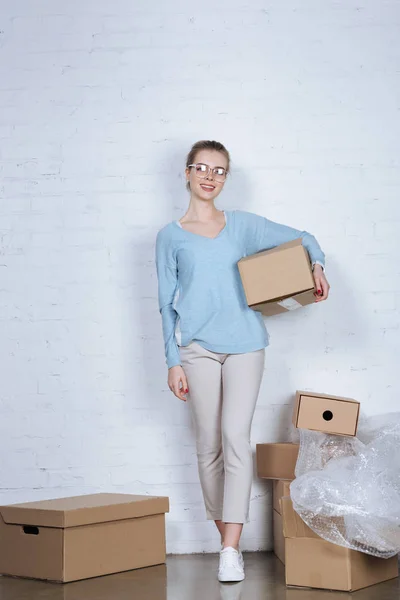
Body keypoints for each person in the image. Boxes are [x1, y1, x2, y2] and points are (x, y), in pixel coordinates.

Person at [155, 140, 330, 582]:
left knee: (235, 437)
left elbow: (304, 238)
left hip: (246, 345)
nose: (210, 176)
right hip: (196, 349)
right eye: (202, 168)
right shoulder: (169, 236)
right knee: (207, 444)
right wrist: (172, 360)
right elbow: (165, 305)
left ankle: (229, 549)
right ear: (187, 173)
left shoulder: (243, 227)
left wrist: (318, 265)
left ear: (225, 178)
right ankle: (225, 538)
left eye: (219, 170)